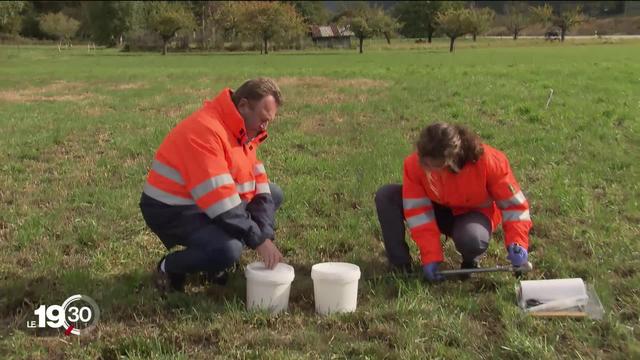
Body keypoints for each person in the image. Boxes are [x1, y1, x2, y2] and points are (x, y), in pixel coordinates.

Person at [140, 78, 284, 292]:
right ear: (243, 105)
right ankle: (169, 268)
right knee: (228, 249)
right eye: (263, 119)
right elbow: (222, 203)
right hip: (171, 208)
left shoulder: (243, 129)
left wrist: (264, 233)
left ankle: (212, 262)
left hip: (206, 200)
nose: (265, 127)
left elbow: (259, 186)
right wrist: (258, 240)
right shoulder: (206, 132)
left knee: (273, 194)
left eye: (269, 121)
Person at [375, 122, 532, 282]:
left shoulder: (489, 161)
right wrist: (430, 257)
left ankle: (471, 258)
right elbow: (418, 213)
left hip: (473, 214)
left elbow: (514, 206)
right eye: (424, 163)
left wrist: (518, 243)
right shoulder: (415, 164)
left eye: (434, 166)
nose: (427, 169)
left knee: (472, 239)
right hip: (437, 209)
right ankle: (400, 266)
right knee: (386, 195)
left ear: (451, 159)